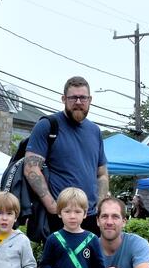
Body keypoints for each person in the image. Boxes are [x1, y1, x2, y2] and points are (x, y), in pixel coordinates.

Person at [23, 77, 109, 239]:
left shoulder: (95, 131)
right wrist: (53, 207)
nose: (78, 102)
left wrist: (100, 205)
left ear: (90, 100)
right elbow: (31, 168)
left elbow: (102, 173)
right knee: (59, 264)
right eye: (73, 97)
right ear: (63, 99)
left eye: (83, 97)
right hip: (60, 218)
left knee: (90, 264)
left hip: (90, 217)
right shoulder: (47, 126)